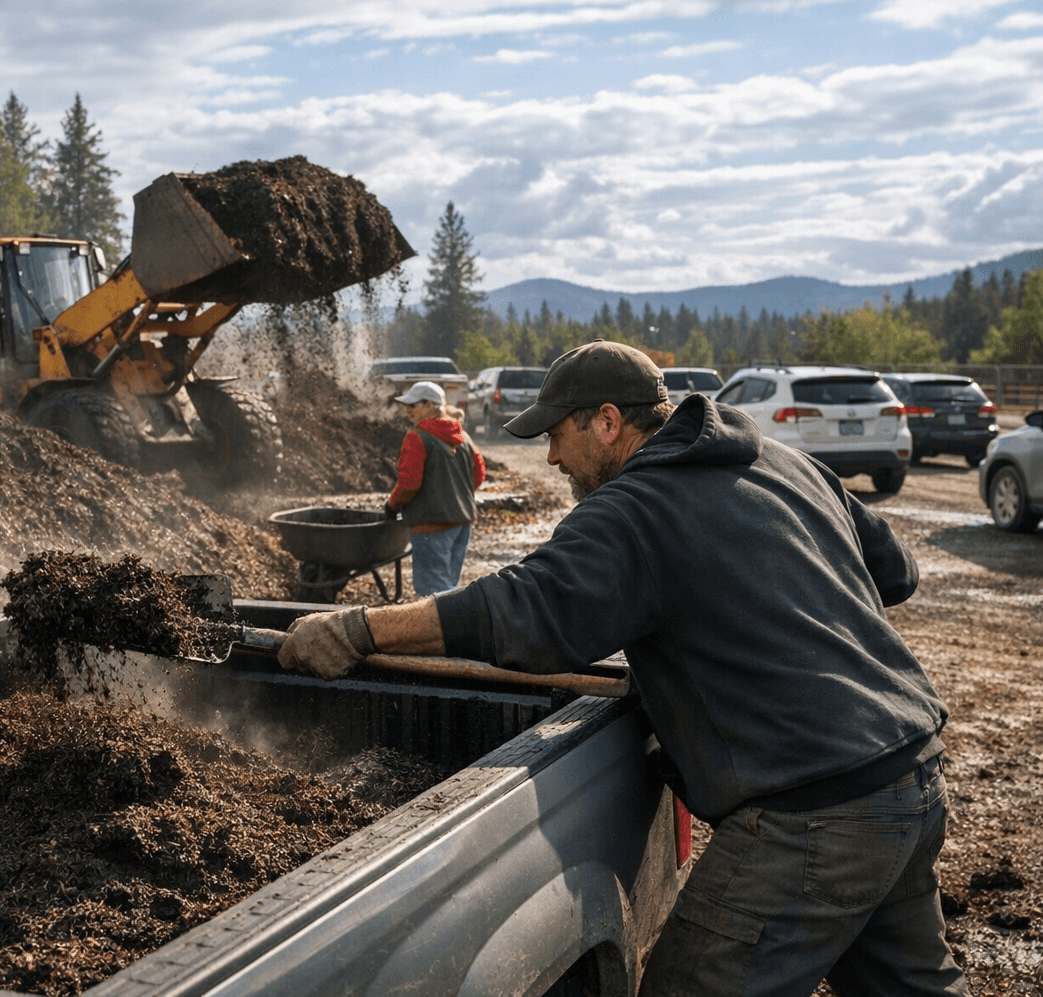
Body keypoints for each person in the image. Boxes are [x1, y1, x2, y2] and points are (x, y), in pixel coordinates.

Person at [279, 340, 964, 997]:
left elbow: (530, 610)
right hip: (911, 774)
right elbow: (894, 573)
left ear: (607, 422)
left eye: (555, 434)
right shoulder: (783, 462)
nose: (549, 456)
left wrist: (359, 628)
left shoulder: (634, 508)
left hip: (814, 814)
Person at [385, 381, 486, 596]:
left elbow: (409, 483)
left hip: (431, 525)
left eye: (413, 404)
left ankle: (449, 630)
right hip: (463, 522)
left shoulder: (417, 437)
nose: (408, 410)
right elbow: (479, 474)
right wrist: (455, 495)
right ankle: (455, 627)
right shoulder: (463, 437)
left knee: (433, 594)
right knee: (449, 589)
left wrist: (392, 506)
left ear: (431, 405)